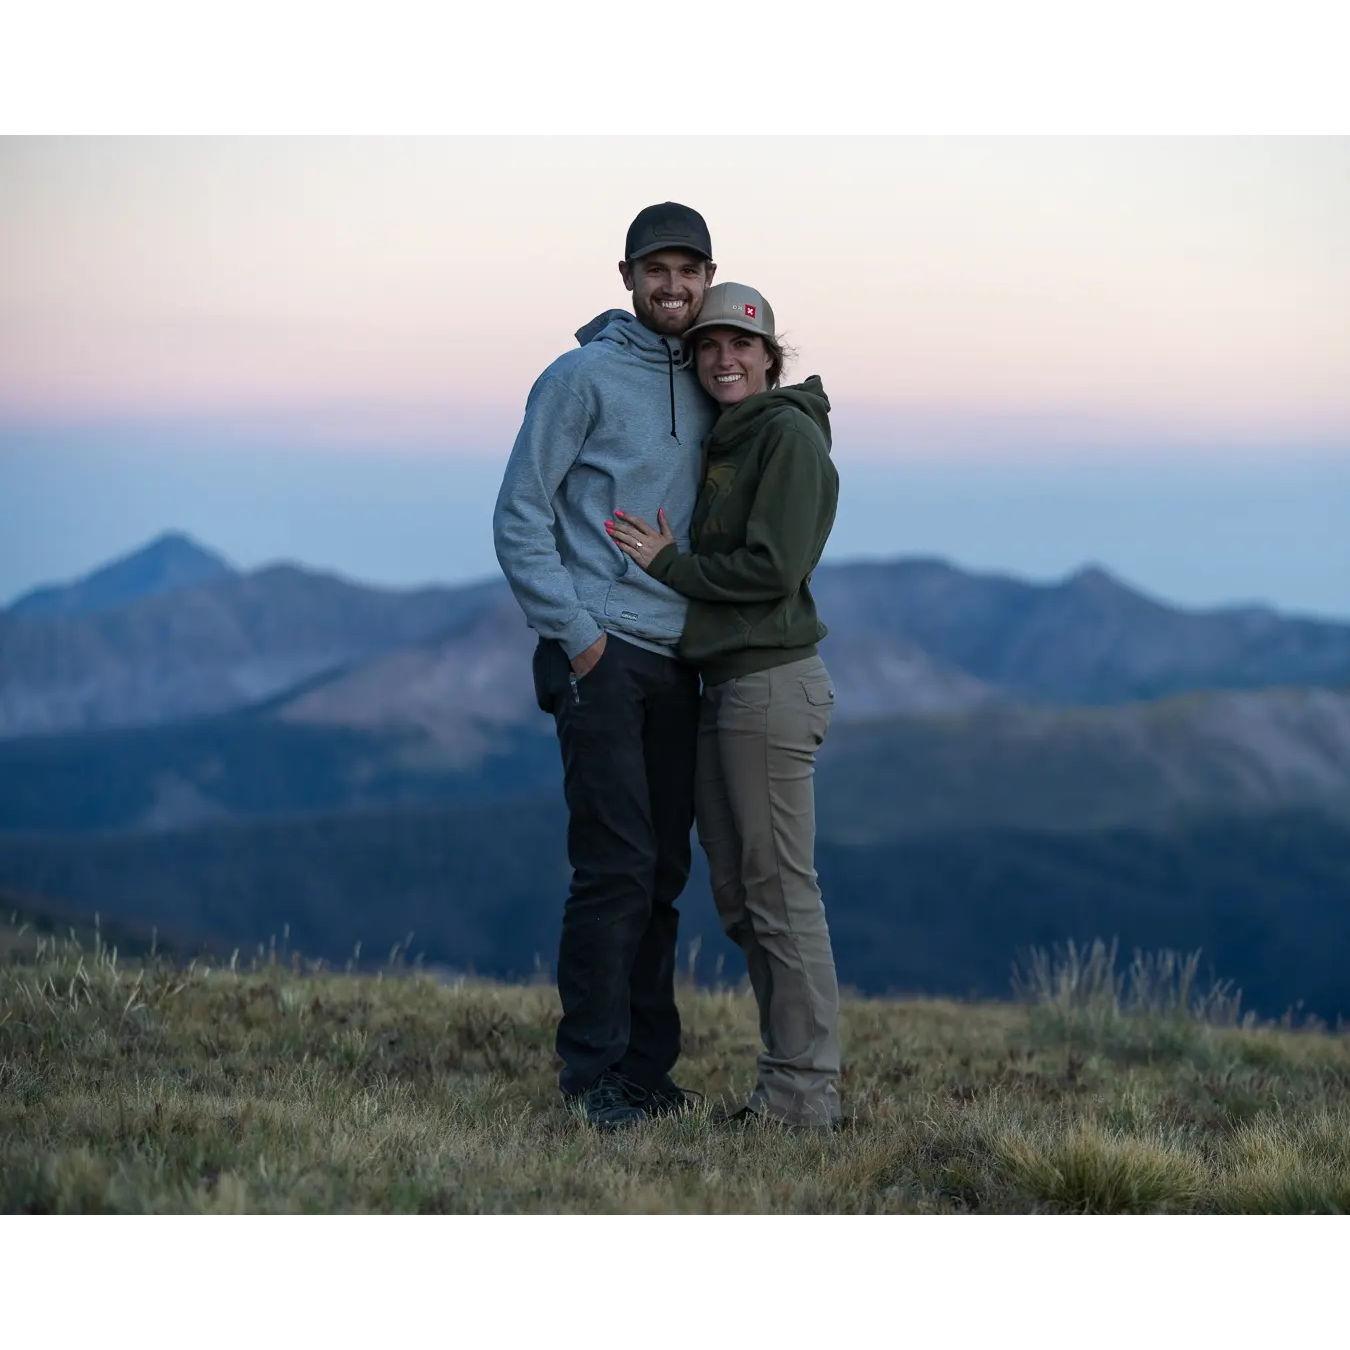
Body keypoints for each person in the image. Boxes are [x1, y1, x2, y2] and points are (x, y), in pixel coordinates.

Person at [492, 203, 718, 1129]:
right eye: (655, 270)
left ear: (708, 280)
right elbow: (519, 516)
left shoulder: (712, 378)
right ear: (625, 276)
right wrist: (578, 637)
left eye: (688, 272)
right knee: (614, 868)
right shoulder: (579, 376)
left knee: (662, 871)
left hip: (681, 663)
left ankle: (645, 1075)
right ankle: (592, 1080)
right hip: (603, 657)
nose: (672, 287)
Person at [605, 282, 843, 1129]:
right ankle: (786, 1083)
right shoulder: (732, 437)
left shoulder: (785, 437)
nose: (724, 359)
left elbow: (771, 571)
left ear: (772, 359)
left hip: (771, 686)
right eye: (708, 347)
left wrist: (668, 563)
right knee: (744, 899)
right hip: (726, 689)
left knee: (781, 895)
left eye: (742, 346)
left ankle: (804, 1097)